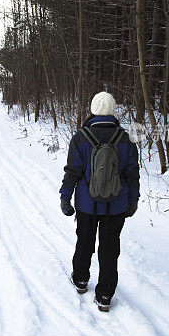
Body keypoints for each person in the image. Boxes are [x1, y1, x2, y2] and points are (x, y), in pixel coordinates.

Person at [59, 91, 140, 311]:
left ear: (93, 109)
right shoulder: (126, 138)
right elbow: (132, 173)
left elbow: (72, 171)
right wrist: (133, 200)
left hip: (86, 205)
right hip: (116, 206)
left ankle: (81, 279)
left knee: (84, 242)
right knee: (110, 249)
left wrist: (65, 197)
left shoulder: (81, 137)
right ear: (113, 110)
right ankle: (105, 295)